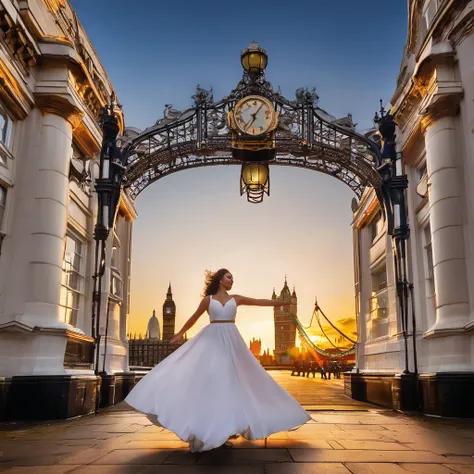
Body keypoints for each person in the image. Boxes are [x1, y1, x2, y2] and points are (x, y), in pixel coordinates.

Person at [125, 268, 311, 452]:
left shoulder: (236, 298)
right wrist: (180, 333)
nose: (232, 280)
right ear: (221, 279)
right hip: (212, 340)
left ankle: (224, 429)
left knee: (234, 382)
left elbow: (258, 301)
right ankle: (212, 430)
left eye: (233, 278)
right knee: (215, 383)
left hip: (231, 341)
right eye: (229, 277)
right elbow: (194, 318)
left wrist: (279, 302)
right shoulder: (208, 300)